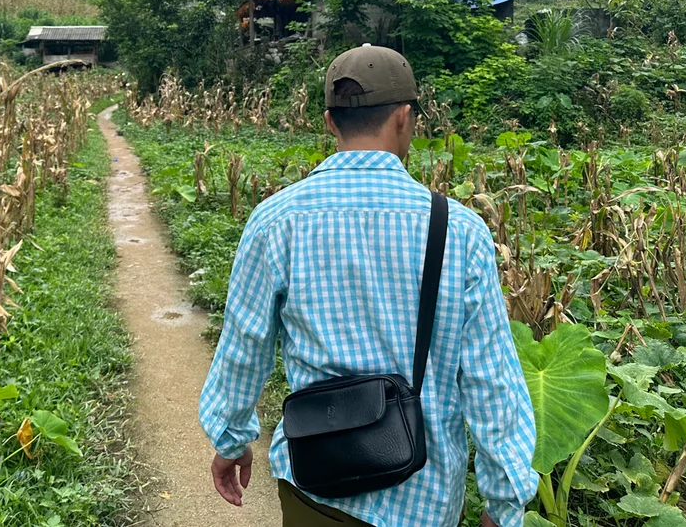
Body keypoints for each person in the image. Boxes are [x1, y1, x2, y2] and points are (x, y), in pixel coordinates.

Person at [199, 45, 537, 527]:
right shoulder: (457, 229)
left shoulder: (277, 219)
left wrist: (230, 440)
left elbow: (244, 346)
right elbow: (491, 381)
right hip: (422, 495)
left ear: (330, 123)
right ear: (404, 118)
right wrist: (504, 503)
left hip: (315, 484)